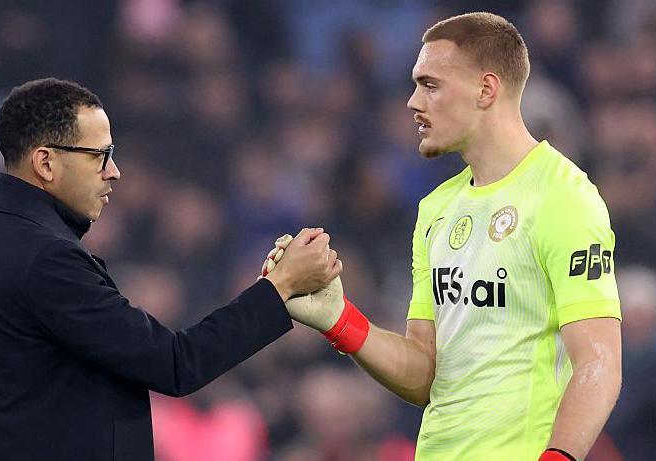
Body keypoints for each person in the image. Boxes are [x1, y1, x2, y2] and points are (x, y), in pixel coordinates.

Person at [0, 78, 341, 461]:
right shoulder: (46, 259)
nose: (115, 172)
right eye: (100, 156)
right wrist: (278, 289)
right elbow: (175, 364)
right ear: (46, 162)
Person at [264, 12, 621, 461]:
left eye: (430, 85)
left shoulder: (564, 197)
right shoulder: (436, 210)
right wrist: (339, 319)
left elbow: (599, 364)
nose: (413, 102)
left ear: (486, 90)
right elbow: (426, 372)